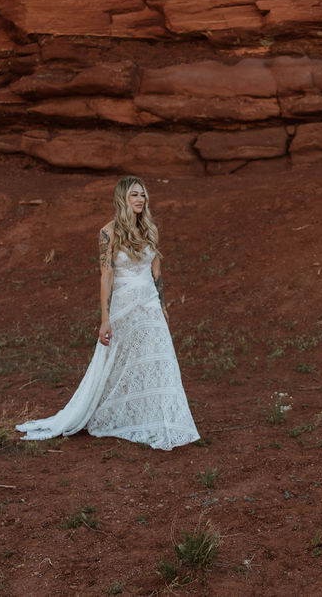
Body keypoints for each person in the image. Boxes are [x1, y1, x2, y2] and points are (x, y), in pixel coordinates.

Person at [17, 177, 200, 450]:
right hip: (123, 307)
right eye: (134, 195)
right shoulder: (108, 232)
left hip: (149, 304)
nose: (140, 200)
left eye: (143, 195)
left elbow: (157, 272)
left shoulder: (150, 230)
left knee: (159, 361)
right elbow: (106, 276)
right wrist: (105, 319)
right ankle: (108, 412)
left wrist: (162, 304)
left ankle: (162, 420)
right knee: (115, 361)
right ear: (122, 199)